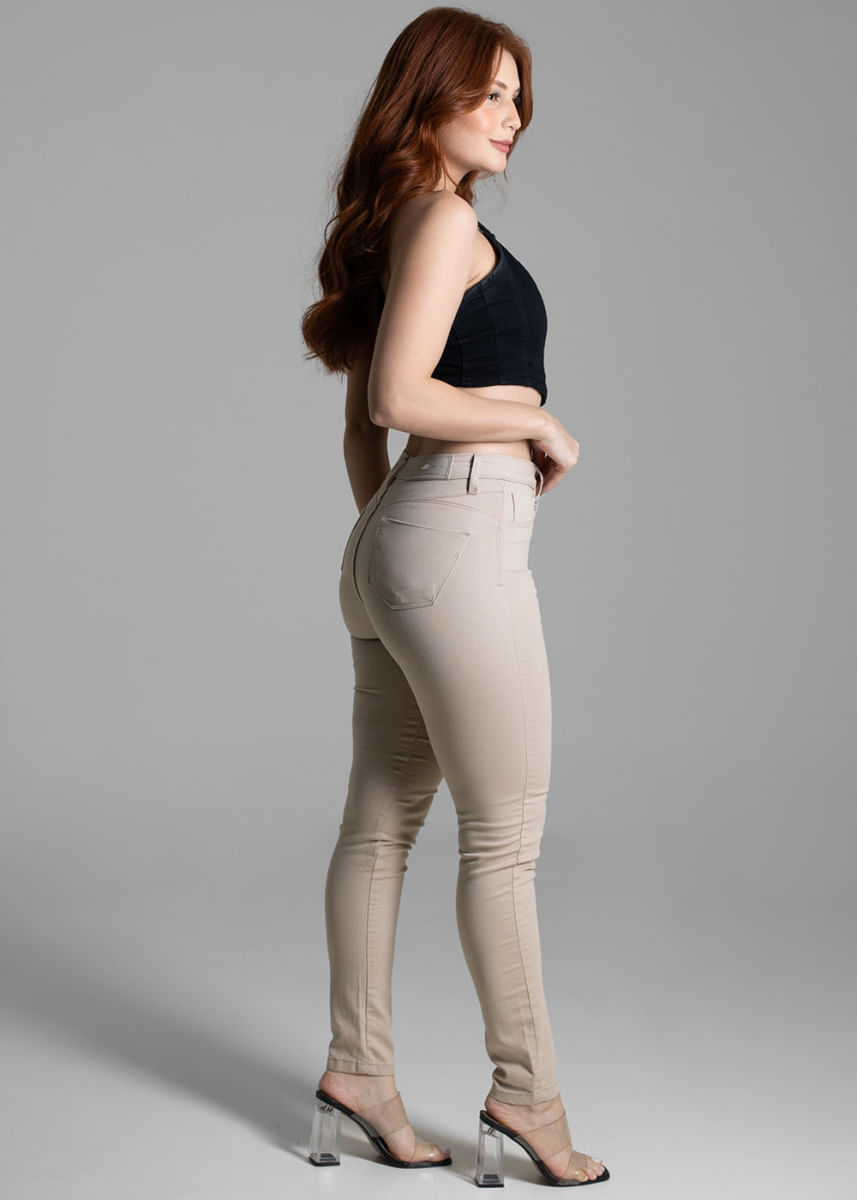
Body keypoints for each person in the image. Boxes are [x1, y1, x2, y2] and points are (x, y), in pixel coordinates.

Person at [300, 6, 609, 1188]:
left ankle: (357, 1075)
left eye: (518, 98)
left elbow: (359, 429)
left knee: (378, 825)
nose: (511, 115)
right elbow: (393, 395)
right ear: (425, 95)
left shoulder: (398, 228)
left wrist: (392, 549)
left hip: (396, 542)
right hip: (450, 537)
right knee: (503, 837)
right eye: (489, 93)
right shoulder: (439, 220)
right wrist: (533, 422)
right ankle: (527, 1099)